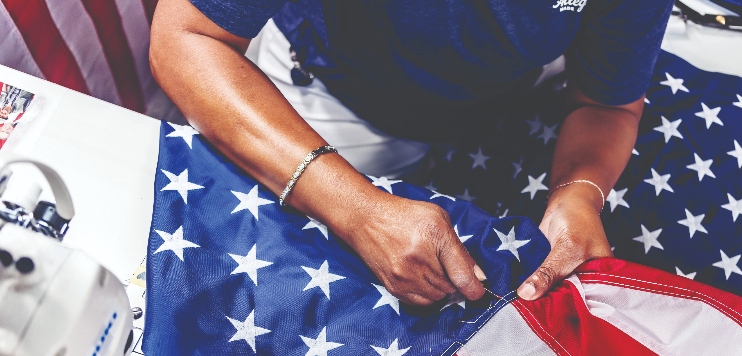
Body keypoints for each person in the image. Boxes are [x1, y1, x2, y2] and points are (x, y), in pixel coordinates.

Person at [149, 0, 673, 306]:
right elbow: (185, 38)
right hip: (338, 97)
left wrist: (578, 192)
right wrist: (357, 207)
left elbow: (608, 104)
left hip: (507, 91)